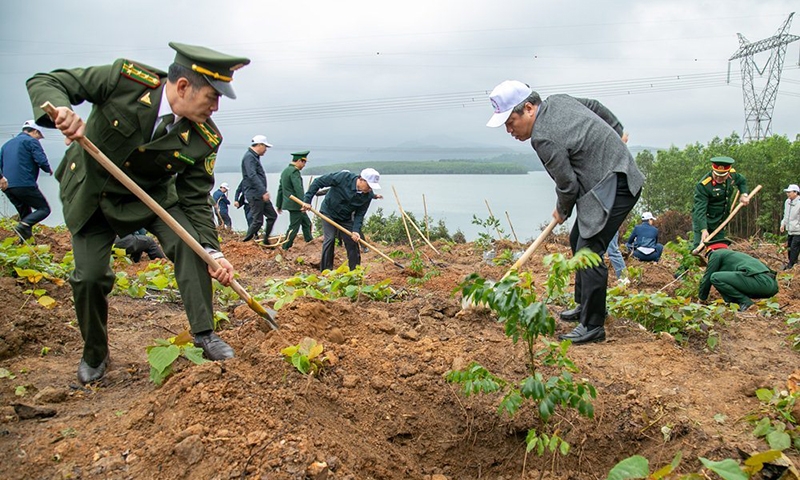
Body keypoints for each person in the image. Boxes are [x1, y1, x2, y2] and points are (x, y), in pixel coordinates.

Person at [26, 42, 250, 383]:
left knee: (191, 247)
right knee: (89, 277)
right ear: (183, 87)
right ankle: (95, 353)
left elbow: (195, 199)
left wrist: (212, 251)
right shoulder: (126, 82)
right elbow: (46, 80)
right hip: (94, 195)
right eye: (212, 96)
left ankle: (204, 333)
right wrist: (61, 110)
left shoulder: (205, 138)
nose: (216, 107)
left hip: (153, 199)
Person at [486, 80, 644, 344]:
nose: (509, 130)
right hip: (607, 180)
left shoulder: (543, 137)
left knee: (589, 249)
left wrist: (562, 209)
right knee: (577, 239)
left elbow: (567, 184)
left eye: (510, 121)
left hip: (617, 184)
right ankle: (585, 305)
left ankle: (593, 325)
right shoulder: (558, 100)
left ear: (528, 108)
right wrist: (617, 130)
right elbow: (594, 106)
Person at [301, 168, 381, 271]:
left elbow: (359, 215)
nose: (370, 189)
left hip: (345, 218)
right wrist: (307, 200)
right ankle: (326, 271)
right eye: (369, 186)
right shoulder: (343, 178)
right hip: (329, 212)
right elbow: (318, 182)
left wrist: (356, 230)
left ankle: (355, 272)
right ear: (361, 179)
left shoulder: (368, 195)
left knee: (352, 242)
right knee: (330, 239)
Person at [0, 120, 53, 240]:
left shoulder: (6, 145)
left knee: (26, 215)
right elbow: (41, 160)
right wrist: (48, 169)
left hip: (8, 187)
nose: (39, 139)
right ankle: (23, 226)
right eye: (39, 136)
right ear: (35, 131)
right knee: (44, 209)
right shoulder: (31, 141)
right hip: (24, 183)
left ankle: (24, 241)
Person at [699, 242, 778, 312]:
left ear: (711, 250)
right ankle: (735, 304)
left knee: (715, 277)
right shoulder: (735, 256)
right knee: (721, 278)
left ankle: (745, 303)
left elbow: (707, 278)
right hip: (772, 286)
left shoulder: (716, 254)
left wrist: (702, 298)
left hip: (760, 282)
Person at [692, 156, 749, 250]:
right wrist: (703, 229)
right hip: (704, 219)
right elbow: (700, 210)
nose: (718, 179)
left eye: (722, 176)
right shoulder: (704, 185)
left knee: (720, 247)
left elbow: (742, 181)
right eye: (716, 175)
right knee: (698, 246)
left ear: (728, 173)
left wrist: (744, 194)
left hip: (720, 220)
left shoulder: (732, 175)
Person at [240, 135, 278, 244]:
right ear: (260, 145)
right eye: (265, 146)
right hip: (255, 194)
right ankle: (245, 242)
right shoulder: (249, 157)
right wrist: (263, 191)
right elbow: (252, 175)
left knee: (272, 215)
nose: (266, 149)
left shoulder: (253, 157)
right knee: (258, 221)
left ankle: (266, 240)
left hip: (260, 194)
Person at [276, 150, 313, 249]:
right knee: (294, 227)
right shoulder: (294, 172)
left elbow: (280, 189)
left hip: (291, 204)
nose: (304, 165)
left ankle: (310, 243)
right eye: (304, 162)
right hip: (296, 205)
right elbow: (298, 189)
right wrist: (303, 203)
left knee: (307, 223)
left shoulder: (285, 171)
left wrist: (278, 204)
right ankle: (285, 247)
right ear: (300, 161)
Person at [780, 184, 800, 270]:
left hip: (798, 231)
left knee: (794, 247)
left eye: (789, 192)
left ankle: (791, 265)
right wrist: (783, 224)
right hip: (790, 230)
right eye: (787, 192)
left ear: (796, 193)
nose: (788, 194)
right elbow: (786, 215)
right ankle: (792, 263)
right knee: (789, 247)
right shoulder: (787, 202)